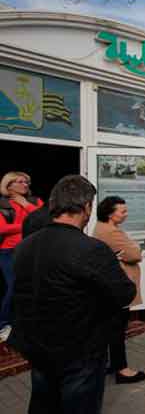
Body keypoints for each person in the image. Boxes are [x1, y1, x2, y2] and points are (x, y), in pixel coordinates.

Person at [9, 175, 136, 414]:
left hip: (36, 345)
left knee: (43, 403)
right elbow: (124, 293)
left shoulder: (26, 245)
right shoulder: (90, 248)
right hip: (78, 351)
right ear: (86, 207)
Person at [93, 196, 145, 384]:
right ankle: (122, 370)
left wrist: (127, 250)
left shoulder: (104, 228)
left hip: (112, 287)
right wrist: (134, 248)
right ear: (110, 213)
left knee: (112, 329)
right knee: (117, 329)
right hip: (118, 288)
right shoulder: (109, 232)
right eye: (122, 211)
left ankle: (113, 364)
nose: (126, 214)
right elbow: (135, 254)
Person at [0, 171, 44, 340]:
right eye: (21, 182)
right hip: (8, 252)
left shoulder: (34, 201)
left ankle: (25, 322)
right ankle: (3, 324)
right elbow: (2, 229)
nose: (25, 184)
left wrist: (25, 204)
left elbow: (44, 220)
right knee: (13, 287)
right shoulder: (2, 203)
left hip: (32, 250)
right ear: (9, 185)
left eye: (27, 182)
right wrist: (26, 225)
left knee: (33, 287)